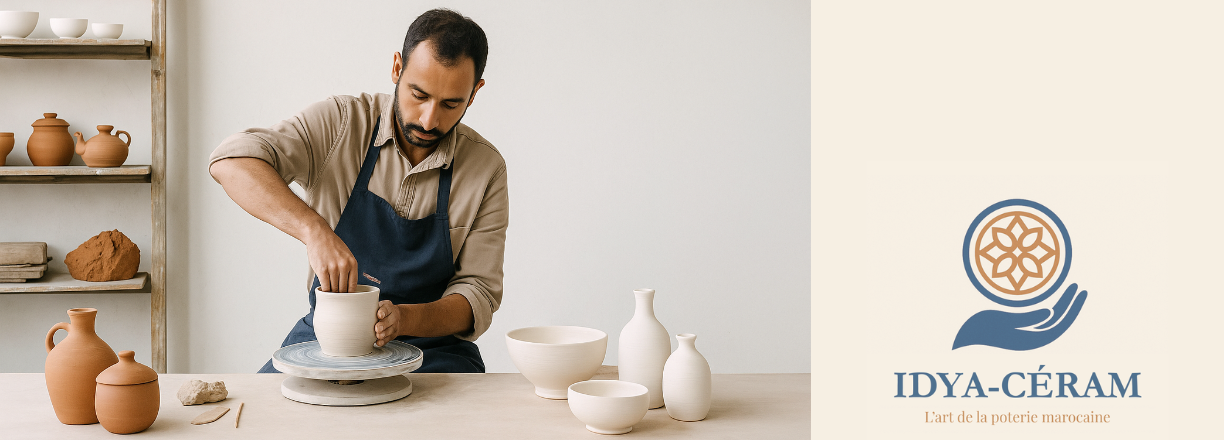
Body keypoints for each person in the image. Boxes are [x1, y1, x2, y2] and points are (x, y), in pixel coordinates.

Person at [208, 8, 506, 373]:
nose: (430, 120)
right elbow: (231, 161)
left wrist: (404, 320)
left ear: (474, 93)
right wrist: (313, 230)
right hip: (326, 341)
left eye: (450, 104)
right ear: (397, 68)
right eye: (418, 94)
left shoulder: (486, 168)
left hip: (434, 351)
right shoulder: (342, 123)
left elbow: (478, 295)